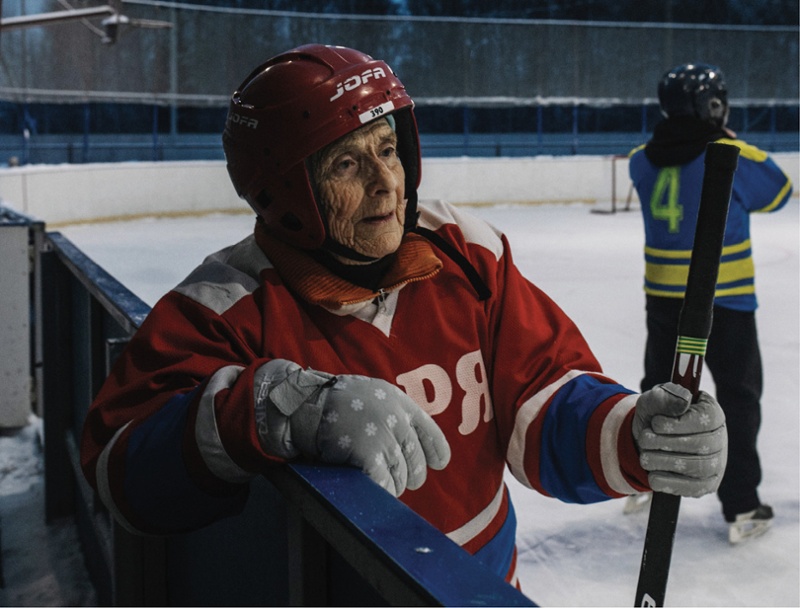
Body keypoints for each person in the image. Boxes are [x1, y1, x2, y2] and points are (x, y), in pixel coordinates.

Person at [80, 44, 727, 589]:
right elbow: (120, 471)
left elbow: (541, 398)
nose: (386, 182)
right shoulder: (225, 309)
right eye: (345, 164)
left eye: (388, 148)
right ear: (281, 189)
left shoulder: (465, 252)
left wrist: (633, 436)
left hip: (480, 595)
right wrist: (268, 407)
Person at [628, 63, 793, 543]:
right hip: (727, 303)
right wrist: (730, 139)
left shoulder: (641, 160)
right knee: (739, 400)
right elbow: (779, 190)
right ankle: (741, 506)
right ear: (712, 105)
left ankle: (639, 480)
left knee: (660, 395)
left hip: (662, 304)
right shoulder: (729, 154)